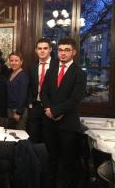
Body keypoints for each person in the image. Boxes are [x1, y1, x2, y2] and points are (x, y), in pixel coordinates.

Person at [40, 37, 86, 188]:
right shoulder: (51, 69)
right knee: (50, 160)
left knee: (67, 163)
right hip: (49, 123)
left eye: (67, 50)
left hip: (68, 124)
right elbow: (44, 92)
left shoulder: (79, 72)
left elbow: (75, 98)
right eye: (60, 50)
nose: (63, 53)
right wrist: (49, 110)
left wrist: (56, 111)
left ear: (74, 52)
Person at [27, 38, 58, 143]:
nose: (42, 51)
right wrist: (30, 102)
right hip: (35, 106)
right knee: (33, 138)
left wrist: (53, 107)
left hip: (50, 107)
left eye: (45, 48)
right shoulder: (32, 66)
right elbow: (30, 85)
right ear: (36, 50)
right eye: (39, 48)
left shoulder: (57, 65)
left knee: (49, 139)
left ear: (50, 50)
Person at [7, 51, 29, 130]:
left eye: (16, 60)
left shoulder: (23, 76)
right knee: (10, 134)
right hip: (10, 109)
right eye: (11, 60)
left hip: (19, 111)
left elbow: (23, 95)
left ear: (21, 62)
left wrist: (18, 112)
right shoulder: (11, 73)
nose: (13, 63)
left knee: (19, 135)